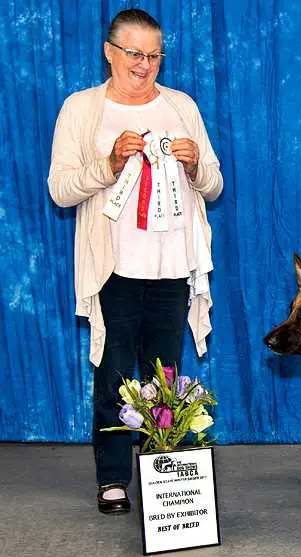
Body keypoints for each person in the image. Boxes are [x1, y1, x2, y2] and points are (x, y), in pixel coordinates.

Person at [47, 9, 223, 514]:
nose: (145, 66)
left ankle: (164, 476)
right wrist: (107, 166)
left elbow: (215, 185)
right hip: (114, 265)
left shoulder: (182, 106)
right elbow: (60, 189)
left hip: (173, 265)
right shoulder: (81, 110)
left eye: (154, 56)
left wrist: (194, 167)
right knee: (116, 372)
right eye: (135, 54)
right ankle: (112, 477)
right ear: (109, 51)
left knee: (167, 374)